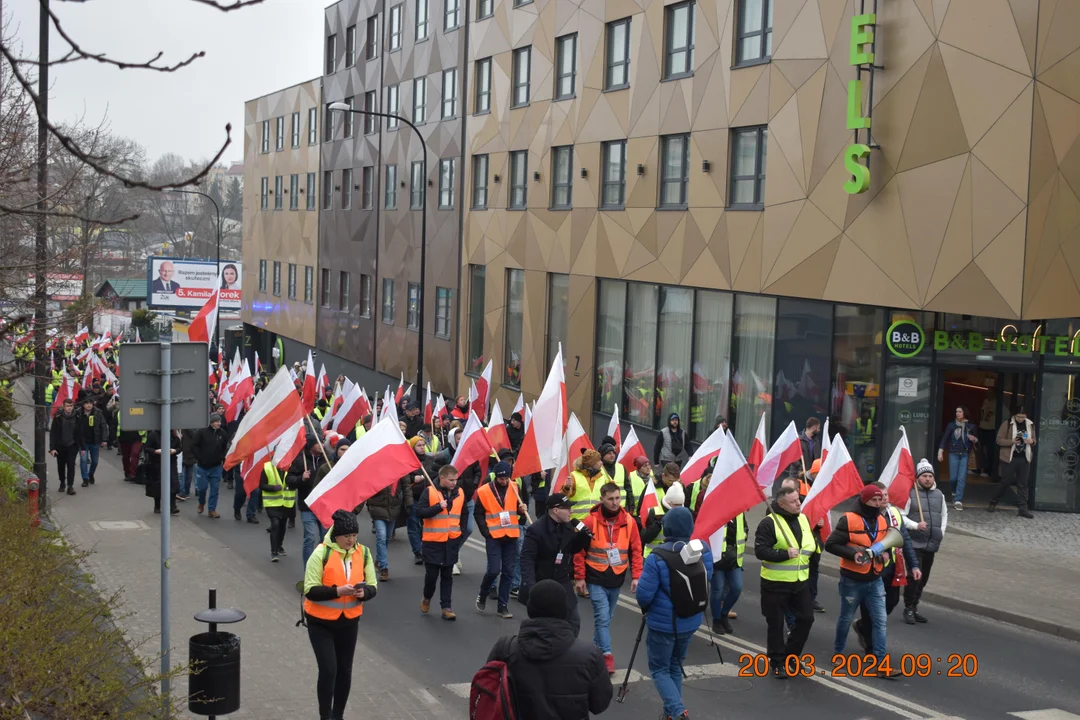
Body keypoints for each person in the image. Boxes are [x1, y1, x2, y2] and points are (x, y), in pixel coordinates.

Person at [485, 579, 612, 720]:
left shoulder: (505, 648)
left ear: (530, 608)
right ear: (564, 610)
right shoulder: (590, 654)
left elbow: (487, 690)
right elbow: (600, 704)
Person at [636, 507, 713, 719]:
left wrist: (647, 610)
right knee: (675, 666)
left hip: (664, 624)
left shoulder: (657, 556)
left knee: (660, 669)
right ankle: (671, 712)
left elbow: (644, 594)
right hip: (690, 620)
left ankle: (678, 711)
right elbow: (708, 579)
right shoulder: (704, 550)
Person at [303, 509, 377, 720]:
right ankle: (325, 716)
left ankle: (338, 715)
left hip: (349, 622)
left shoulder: (363, 553)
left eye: (354, 535)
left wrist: (364, 593)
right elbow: (310, 589)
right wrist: (338, 591)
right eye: (347, 536)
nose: (351, 540)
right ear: (337, 535)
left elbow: (373, 585)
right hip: (320, 623)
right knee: (329, 670)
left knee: (345, 671)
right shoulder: (321, 554)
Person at [825, 484, 897, 676]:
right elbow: (831, 545)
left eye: (879, 499)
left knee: (880, 621)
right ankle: (838, 654)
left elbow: (886, 544)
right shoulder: (848, 519)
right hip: (852, 580)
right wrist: (852, 554)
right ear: (864, 500)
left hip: (875, 579)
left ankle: (881, 664)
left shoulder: (882, 520)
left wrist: (886, 555)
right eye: (874, 500)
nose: (878, 503)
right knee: (846, 618)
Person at [574, 482, 642, 674]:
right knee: (602, 618)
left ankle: (593, 652)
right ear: (602, 499)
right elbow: (579, 551)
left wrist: (636, 576)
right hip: (595, 576)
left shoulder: (629, 521)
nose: (615, 502)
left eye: (617, 498)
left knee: (606, 619)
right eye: (610, 499)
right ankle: (606, 655)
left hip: (616, 578)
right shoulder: (590, 521)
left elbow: (636, 550)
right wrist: (580, 578)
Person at [755, 485, 816, 678]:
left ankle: (791, 657)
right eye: (794, 501)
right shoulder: (769, 523)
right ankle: (777, 662)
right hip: (775, 582)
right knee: (776, 624)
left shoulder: (803, 519)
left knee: (807, 619)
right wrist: (783, 554)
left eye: (799, 499)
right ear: (781, 504)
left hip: (800, 581)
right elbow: (760, 551)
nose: (799, 503)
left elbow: (811, 546)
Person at [853, 481, 920, 652]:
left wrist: (914, 566)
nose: (884, 499)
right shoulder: (863, 516)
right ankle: (871, 648)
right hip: (872, 571)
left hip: (892, 569)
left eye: (886, 495)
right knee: (872, 610)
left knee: (892, 601)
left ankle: (862, 627)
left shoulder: (894, 513)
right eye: (879, 496)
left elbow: (905, 540)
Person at [519, 492, 593, 636]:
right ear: (556, 510)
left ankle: (568, 650)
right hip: (542, 581)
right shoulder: (537, 530)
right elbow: (527, 559)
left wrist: (584, 537)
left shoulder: (568, 526)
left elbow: (572, 548)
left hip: (561, 579)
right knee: (544, 625)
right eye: (567, 508)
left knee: (573, 619)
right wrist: (531, 586)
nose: (570, 511)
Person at [474, 461, 528, 618]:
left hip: (511, 534)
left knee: (508, 572)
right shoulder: (484, 491)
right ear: (496, 477)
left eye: (506, 478)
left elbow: (517, 507)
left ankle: (502, 606)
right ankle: (483, 593)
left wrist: (521, 509)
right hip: (494, 536)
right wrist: (486, 532)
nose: (504, 481)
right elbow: (478, 513)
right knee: (493, 570)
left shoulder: (514, 487)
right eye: (501, 479)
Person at [416, 464, 466, 620]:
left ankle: (446, 607)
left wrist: (460, 532)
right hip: (433, 542)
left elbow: (464, 514)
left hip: (451, 541)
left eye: (456, 480)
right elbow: (420, 512)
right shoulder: (430, 491)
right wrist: (438, 506)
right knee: (431, 576)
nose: (454, 483)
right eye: (451, 480)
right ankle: (427, 597)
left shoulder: (460, 492)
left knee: (447, 575)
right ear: (442, 478)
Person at [901, 459, 947, 624]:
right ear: (918, 478)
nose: (928, 479)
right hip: (913, 544)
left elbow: (943, 516)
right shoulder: (910, 494)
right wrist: (915, 525)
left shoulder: (939, 495)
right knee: (915, 576)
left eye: (930, 476)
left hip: (931, 544)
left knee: (924, 578)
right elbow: (901, 516)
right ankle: (908, 608)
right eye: (924, 476)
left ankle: (914, 606)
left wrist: (940, 533)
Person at [359, 451, 414, 581]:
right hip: (377, 508)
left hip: (394, 508)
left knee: (387, 537)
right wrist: (356, 509)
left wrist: (409, 503)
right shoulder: (374, 469)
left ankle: (379, 560)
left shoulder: (400, 467)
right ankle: (384, 567)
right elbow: (365, 489)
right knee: (381, 536)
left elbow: (406, 486)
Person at [990, 407, 1036, 518]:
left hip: (1024, 457)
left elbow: (1034, 439)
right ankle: (993, 501)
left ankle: (1023, 509)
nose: (1020, 419)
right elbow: (999, 440)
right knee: (1005, 481)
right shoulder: (1007, 424)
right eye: (1018, 417)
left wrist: (1031, 441)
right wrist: (1012, 441)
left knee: (1023, 484)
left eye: (1023, 417)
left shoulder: (1030, 424)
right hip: (1010, 457)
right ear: (1014, 415)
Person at [937, 406, 978, 510]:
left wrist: (974, 439)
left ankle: (958, 500)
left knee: (961, 478)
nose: (958, 413)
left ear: (965, 413)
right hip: (953, 453)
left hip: (965, 453)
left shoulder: (971, 426)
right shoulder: (951, 425)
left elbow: (977, 439)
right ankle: (954, 491)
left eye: (960, 411)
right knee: (953, 478)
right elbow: (945, 438)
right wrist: (940, 452)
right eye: (956, 412)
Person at [298, 439, 330, 566]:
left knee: (325, 540)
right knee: (310, 537)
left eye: (322, 442)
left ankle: (321, 567)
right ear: (311, 446)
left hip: (324, 506)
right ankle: (308, 570)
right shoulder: (301, 460)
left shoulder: (328, 460)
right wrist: (301, 478)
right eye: (317, 442)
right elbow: (290, 480)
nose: (321, 445)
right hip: (307, 506)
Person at [641, 464, 683, 557]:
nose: (673, 484)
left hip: (674, 548)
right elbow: (643, 511)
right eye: (671, 481)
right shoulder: (652, 488)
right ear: (663, 476)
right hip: (653, 550)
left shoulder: (679, 487)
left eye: (676, 481)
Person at [192, 414, 228, 518]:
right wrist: (200, 458)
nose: (219, 423)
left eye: (220, 422)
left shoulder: (222, 433)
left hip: (216, 467)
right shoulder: (201, 432)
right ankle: (201, 503)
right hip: (202, 467)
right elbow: (194, 446)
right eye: (217, 422)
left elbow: (225, 447)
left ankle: (212, 509)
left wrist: (222, 457)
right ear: (211, 422)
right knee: (202, 489)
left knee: (214, 490)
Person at [144, 429, 180, 515]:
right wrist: (155, 451)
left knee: (173, 482)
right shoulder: (153, 435)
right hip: (157, 462)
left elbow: (179, 447)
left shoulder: (174, 435)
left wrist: (175, 451)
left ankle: (173, 506)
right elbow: (146, 448)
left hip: (171, 462)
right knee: (158, 484)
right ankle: (157, 505)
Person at [566, 449, 605, 523]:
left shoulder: (602, 477)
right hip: (577, 523)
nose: (601, 463)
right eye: (599, 460)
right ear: (591, 463)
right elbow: (563, 497)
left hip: (596, 522)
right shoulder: (573, 476)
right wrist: (566, 488)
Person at [49, 397, 79, 495]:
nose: (69, 408)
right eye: (67, 406)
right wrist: (52, 448)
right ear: (63, 406)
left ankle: (70, 486)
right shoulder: (58, 417)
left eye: (71, 406)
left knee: (71, 465)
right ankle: (62, 482)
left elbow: (80, 432)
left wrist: (82, 447)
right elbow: (53, 433)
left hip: (72, 446)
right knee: (61, 466)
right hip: (60, 446)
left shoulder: (77, 417)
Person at [76, 396, 107, 488]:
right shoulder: (78, 413)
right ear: (83, 405)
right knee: (83, 460)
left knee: (95, 461)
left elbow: (103, 426)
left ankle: (91, 474)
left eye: (90, 403)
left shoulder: (98, 412)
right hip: (83, 442)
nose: (89, 405)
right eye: (87, 403)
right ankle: (85, 479)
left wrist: (104, 439)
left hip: (95, 440)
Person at [977, 392, 998, 478]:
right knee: (979, 449)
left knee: (989, 451)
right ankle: (978, 468)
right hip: (982, 427)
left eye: (991, 391)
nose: (988, 393)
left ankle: (989, 470)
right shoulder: (985, 401)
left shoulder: (997, 402)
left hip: (991, 429)